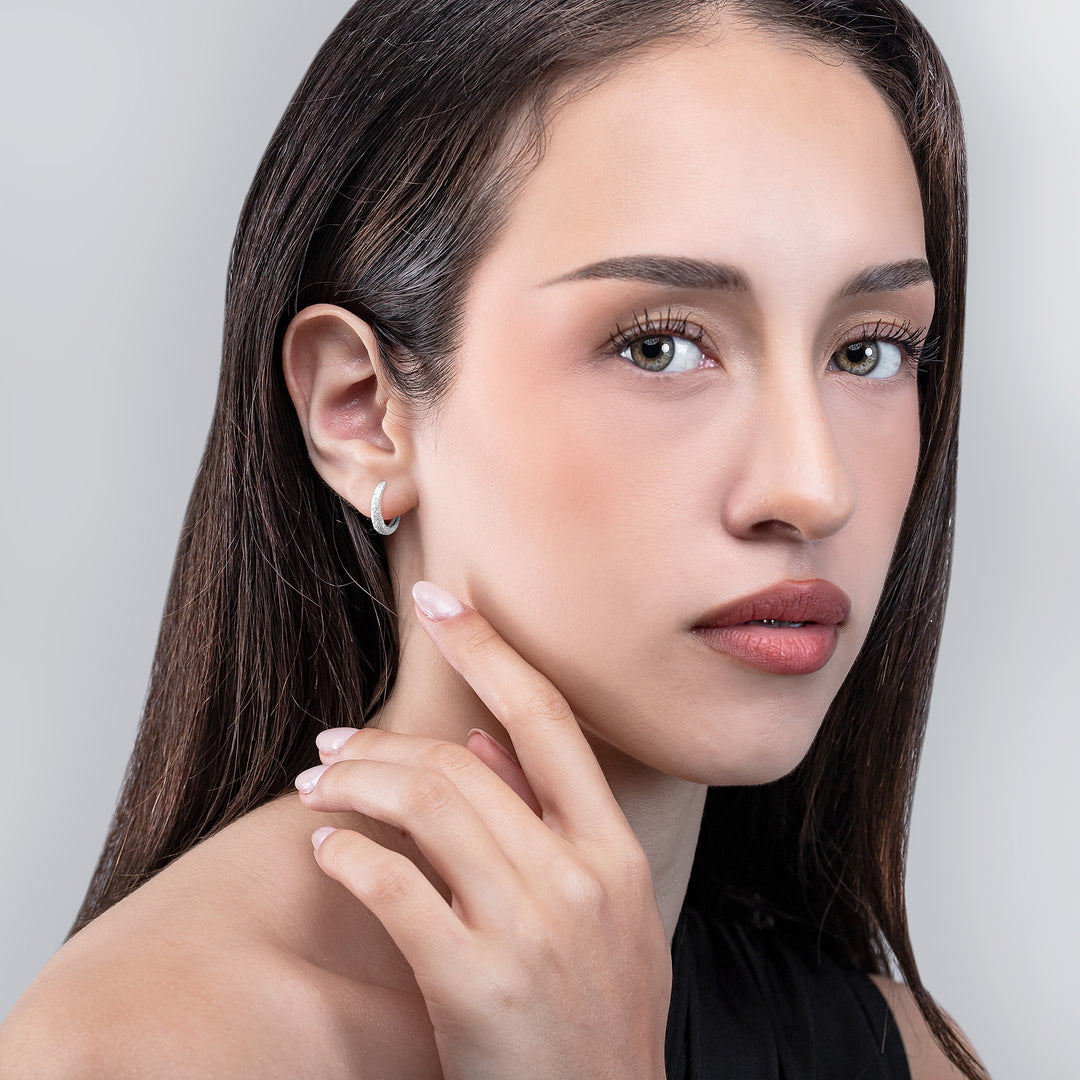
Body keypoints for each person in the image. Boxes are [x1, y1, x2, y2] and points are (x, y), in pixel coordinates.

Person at [0, 0, 987, 1076]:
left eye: (870, 353)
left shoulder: (901, 1051)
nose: (813, 486)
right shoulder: (143, 1050)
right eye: (659, 346)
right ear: (361, 410)